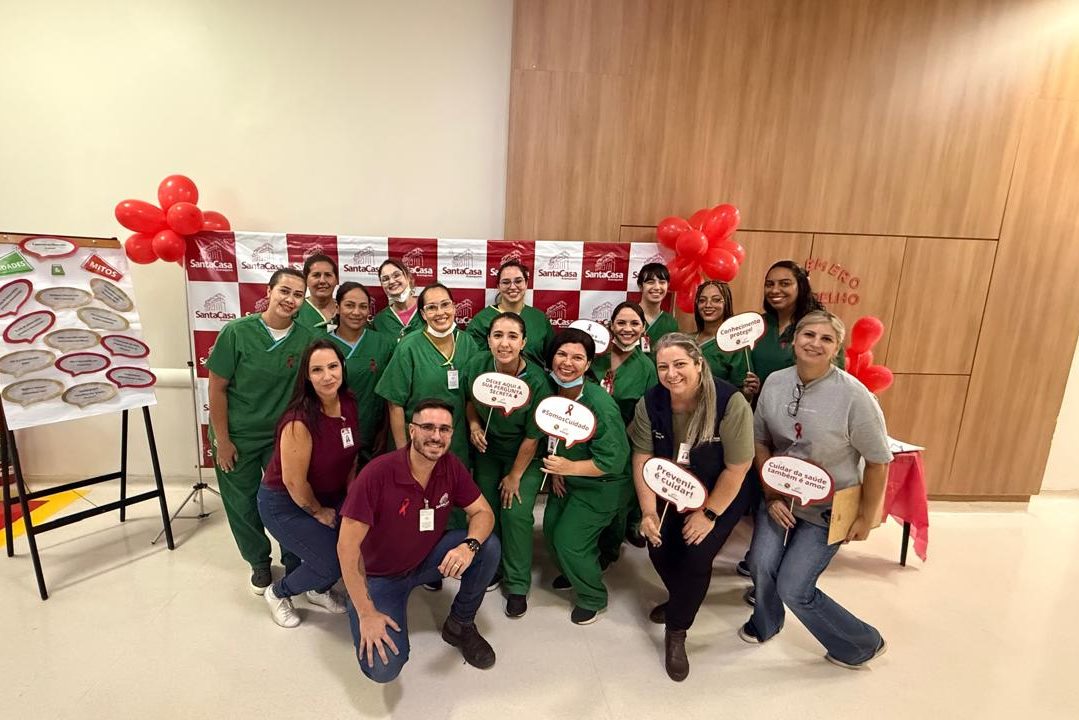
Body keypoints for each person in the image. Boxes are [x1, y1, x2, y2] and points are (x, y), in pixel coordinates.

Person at [739, 311, 892, 669]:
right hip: (779, 496)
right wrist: (771, 496)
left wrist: (865, 517)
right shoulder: (775, 383)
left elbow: (878, 461)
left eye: (826, 339)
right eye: (808, 335)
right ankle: (766, 621)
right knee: (761, 563)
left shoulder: (855, 397)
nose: (815, 343)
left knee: (794, 586)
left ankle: (862, 643)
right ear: (794, 340)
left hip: (828, 508)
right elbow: (760, 441)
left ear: (837, 348)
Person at [337, 399, 501, 683]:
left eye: (444, 429)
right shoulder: (377, 474)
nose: (436, 436)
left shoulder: (451, 467)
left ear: (451, 434)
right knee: (383, 669)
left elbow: (483, 512)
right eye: (427, 427)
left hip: (424, 560)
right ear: (411, 430)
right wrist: (366, 613)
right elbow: (346, 548)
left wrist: (469, 546)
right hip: (379, 577)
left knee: (487, 546)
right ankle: (363, 608)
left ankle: (460, 624)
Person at [629, 333, 757, 681]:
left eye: (680, 364)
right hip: (671, 488)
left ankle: (677, 629)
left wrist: (709, 514)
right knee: (657, 547)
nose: (671, 374)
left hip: (720, 491)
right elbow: (642, 458)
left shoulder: (730, 402)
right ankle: (682, 597)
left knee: (696, 556)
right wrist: (648, 512)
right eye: (663, 367)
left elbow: (738, 468)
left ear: (699, 364)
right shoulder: (650, 402)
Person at [207, 268, 314, 592]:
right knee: (242, 503)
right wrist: (223, 441)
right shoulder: (236, 333)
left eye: (298, 294)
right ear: (269, 291)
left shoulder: (306, 339)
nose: (290, 299)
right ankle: (258, 562)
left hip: (281, 437)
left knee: (287, 500)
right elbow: (216, 388)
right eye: (284, 291)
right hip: (237, 434)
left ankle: (294, 560)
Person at [257, 340, 356, 627]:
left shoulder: (348, 402)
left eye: (333, 366)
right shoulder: (299, 421)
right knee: (331, 562)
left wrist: (351, 499)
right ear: (307, 376)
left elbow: (350, 456)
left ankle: (317, 589)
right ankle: (278, 593)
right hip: (286, 503)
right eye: (317, 370)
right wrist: (318, 512)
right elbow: (293, 482)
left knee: (353, 544)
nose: (327, 376)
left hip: (330, 494)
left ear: (342, 367)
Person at [462, 311, 551, 617]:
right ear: (488, 340)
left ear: (523, 342)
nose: (504, 343)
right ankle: (493, 567)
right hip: (488, 450)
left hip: (524, 455)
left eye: (513, 337)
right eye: (498, 335)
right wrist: (474, 425)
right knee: (485, 509)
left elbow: (533, 436)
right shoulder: (477, 365)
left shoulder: (536, 381)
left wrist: (515, 475)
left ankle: (516, 584)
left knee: (514, 513)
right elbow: (469, 400)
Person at [541, 328, 631, 625]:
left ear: (589, 364)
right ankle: (574, 571)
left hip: (603, 483)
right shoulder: (554, 392)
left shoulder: (600, 405)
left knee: (569, 541)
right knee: (551, 530)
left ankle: (593, 596)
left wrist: (568, 468)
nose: (567, 362)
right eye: (561, 354)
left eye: (577, 357)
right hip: (569, 477)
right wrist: (559, 470)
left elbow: (612, 461)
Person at [375, 283, 478, 467]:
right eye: (431, 307)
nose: (440, 312)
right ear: (423, 314)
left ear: (454, 307)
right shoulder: (409, 347)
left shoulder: (467, 343)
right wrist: (402, 454)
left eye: (445, 304)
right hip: (417, 444)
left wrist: (474, 425)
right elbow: (394, 404)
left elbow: (471, 396)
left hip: (456, 442)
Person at [591, 302, 658, 560]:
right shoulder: (596, 357)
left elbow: (648, 412)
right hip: (588, 438)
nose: (627, 329)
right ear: (611, 325)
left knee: (617, 499)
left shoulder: (647, 368)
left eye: (634, 323)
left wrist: (618, 439)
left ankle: (609, 550)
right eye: (621, 323)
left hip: (626, 442)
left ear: (643, 328)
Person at [742, 260, 843, 401]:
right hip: (760, 407)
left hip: (803, 407)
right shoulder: (757, 325)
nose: (775, 290)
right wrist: (750, 388)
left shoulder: (820, 328)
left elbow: (835, 381)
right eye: (769, 284)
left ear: (801, 286)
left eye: (785, 284)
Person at [326, 282, 394, 462]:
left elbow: (392, 394)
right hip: (330, 435)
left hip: (374, 437)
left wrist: (385, 433)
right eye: (349, 305)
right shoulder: (322, 345)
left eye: (363, 306)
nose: (356, 312)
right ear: (337, 307)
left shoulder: (384, 344)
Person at [466, 260, 554, 366]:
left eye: (518, 281)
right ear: (498, 286)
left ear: (526, 284)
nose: (512, 287)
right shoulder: (482, 320)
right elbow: (474, 361)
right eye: (506, 282)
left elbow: (552, 357)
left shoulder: (539, 318)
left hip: (534, 376)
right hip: (494, 376)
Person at [693, 280, 748, 387]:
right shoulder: (687, 340)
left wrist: (747, 391)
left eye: (716, 300)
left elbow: (739, 389)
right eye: (702, 300)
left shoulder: (736, 345)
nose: (708, 305)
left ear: (726, 303)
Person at [371, 258, 424, 340]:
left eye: (396, 275)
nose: (391, 281)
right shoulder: (380, 321)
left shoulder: (427, 308)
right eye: (385, 279)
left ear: (408, 277)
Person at [637, 262, 679, 354]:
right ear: (640, 287)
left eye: (662, 282)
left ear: (667, 286)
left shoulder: (670, 322)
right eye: (650, 282)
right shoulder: (629, 315)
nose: (657, 287)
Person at [294, 253, 339, 330]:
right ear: (305, 280)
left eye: (328, 275)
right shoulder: (295, 311)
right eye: (316, 275)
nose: (322, 281)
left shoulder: (347, 310)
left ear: (336, 280)